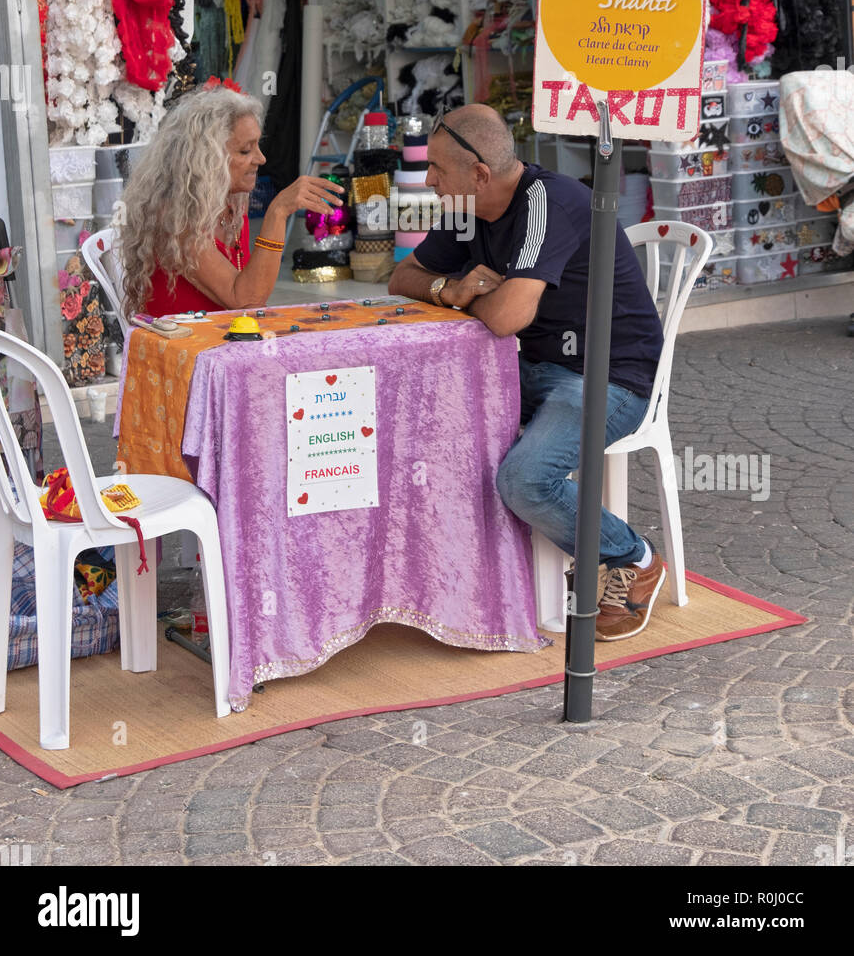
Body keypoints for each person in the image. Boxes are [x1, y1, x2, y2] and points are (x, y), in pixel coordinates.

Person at [389, 104, 666, 642]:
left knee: (524, 479)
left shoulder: (548, 201)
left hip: (610, 378)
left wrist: (470, 298)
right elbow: (403, 275)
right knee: (423, 425)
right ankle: (474, 574)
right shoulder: (469, 208)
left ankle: (632, 558)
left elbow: (506, 317)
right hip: (533, 368)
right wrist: (453, 289)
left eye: (439, 170)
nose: (429, 181)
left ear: (480, 175)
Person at [119, 82, 344, 320]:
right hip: (182, 348)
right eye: (245, 151)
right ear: (207, 159)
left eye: (258, 146)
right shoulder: (176, 216)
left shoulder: (232, 203)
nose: (262, 158)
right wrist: (277, 212)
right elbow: (246, 300)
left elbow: (250, 293)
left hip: (222, 338)